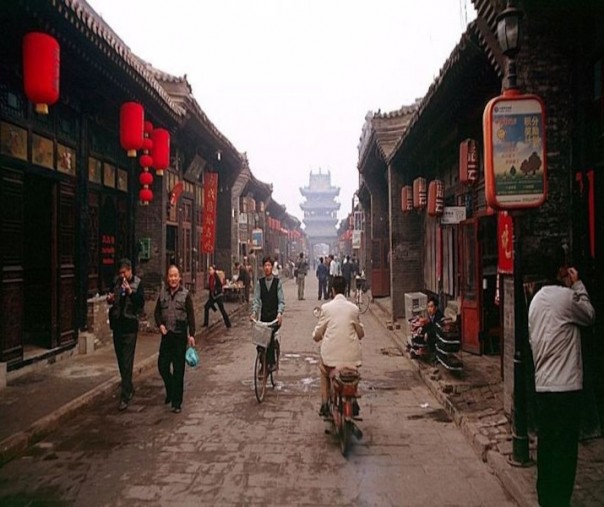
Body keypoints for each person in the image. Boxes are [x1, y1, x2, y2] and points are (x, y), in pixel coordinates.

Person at [528, 253, 595, 507]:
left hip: (543, 386)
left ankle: (546, 497)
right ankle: (561, 499)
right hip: (566, 387)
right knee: (566, 447)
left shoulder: (534, 302)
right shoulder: (567, 299)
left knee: (547, 445)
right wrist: (578, 286)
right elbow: (589, 315)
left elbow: (533, 341)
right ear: (560, 272)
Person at [312, 275, 364, 417]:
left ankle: (324, 402)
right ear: (345, 288)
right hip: (352, 359)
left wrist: (316, 336)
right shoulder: (353, 309)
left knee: (323, 370)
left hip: (331, 360)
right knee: (353, 372)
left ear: (333, 290)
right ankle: (353, 400)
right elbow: (361, 333)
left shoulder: (326, 308)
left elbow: (318, 333)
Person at [154, 265, 196, 414]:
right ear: (168, 278)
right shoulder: (163, 293)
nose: (173, 279)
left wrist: (191, 335)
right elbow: (157, 312)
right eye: (170, 276)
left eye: (175, 276)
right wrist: (160, 325)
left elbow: (191, 316)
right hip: (166, 336)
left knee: (178, 370)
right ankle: (170, 389)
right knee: (162, 366)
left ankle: (176, 402)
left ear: (179, 278)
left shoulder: (185, 295)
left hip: (179, 336)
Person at [107, 258, 144, 411]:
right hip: (118, 325)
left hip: (130, 326)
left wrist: (130, 292)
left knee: (127, 361)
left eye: (124, 272)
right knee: (121, 361)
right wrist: (110, 299)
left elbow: (140, 303)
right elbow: (112, 299)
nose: (122, 275)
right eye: (120, 272)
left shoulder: (137, 283)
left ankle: (125, 395)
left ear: (130, 271)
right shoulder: (116, 282)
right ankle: (129, 387)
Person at [251, 256, 285, 373]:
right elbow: (256, 300)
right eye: (265, 265)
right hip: (264, 317)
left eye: (269, 265)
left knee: (269, 339)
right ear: (262, 267)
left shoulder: (277, 283)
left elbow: (281, 301)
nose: (267, 268)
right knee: (260, 342)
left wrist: (280, 313)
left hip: (274, 318)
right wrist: (254, 313)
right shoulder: (259, 283)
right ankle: (262, 363)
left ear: (272, 267)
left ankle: (272, 363)